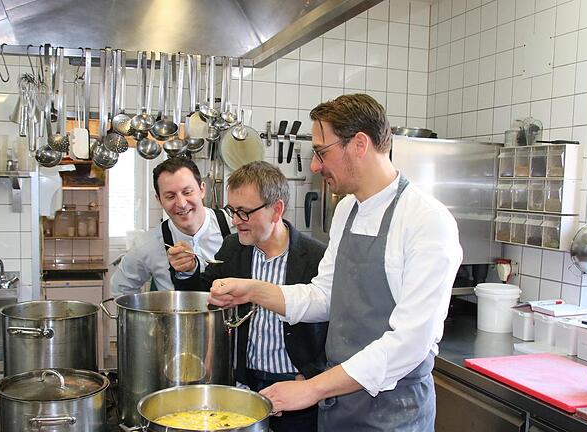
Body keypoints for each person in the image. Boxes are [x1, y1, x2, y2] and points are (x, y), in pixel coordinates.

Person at [208, 94, 463, 431]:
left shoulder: (427, 221)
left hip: (393, 413)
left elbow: (410, 343)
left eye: (321, 152)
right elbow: (324, 297)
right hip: (339, 405)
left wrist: (311, 389)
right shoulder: (347, 209)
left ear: (359, 144)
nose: (315, 165)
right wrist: (253, 290)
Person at [168, 161, 328, 432]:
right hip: (245, 385)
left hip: (297, 389)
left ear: (276, 210)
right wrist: (189, 270)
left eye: (244, 212)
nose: (234, 221)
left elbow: (337, 327)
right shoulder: (233, 248)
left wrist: (312, 378)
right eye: (232, 210)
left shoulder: (317, 258)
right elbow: (206, 295)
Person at [110, 157, 231, 294]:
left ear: (202, 190)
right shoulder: (148, 245)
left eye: (187, 192)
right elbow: (121, 289)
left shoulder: (235, 227)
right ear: (159, 200)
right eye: (170, 196)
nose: (181, 203)